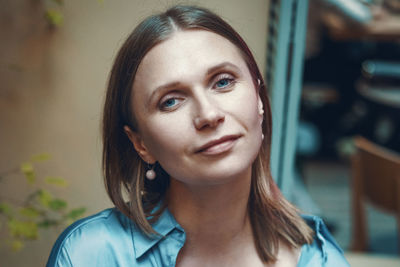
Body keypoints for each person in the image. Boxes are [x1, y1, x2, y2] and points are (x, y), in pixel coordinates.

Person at [47, 5, 349, 267]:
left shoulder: (319, 259)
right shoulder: (90, 255)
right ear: (140, 143)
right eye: (170, 101)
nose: (208, 115)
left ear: (258, 97)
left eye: (223, 82)